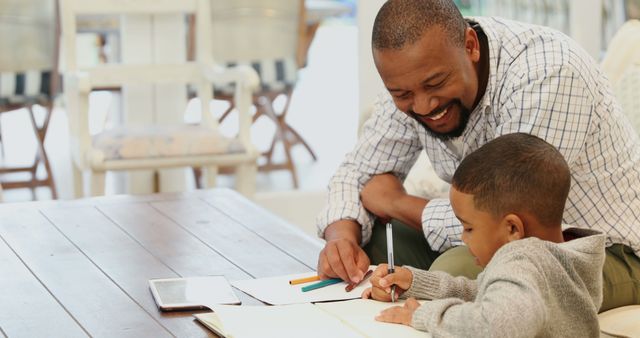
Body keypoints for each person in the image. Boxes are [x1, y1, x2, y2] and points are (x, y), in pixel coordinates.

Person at [316, 0, 640, 312]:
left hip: (607, 251)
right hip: (495, 238)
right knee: (371, 242)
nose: (424, 106)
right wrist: (340, 237)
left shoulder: (548, 74)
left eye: (436, 83)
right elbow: (357, 171)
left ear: (470, 46)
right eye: (402, 94)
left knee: (456, 268)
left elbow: (507, 219)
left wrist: (395, 202)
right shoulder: (414, 75)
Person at [362, 133, 605, 337]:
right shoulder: (558, 259)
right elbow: (485, 291)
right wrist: (415, 282)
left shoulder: (522, 261)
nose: (464, 238)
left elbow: (498, 324)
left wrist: (423, 315)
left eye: (468, 228)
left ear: (512, 229)